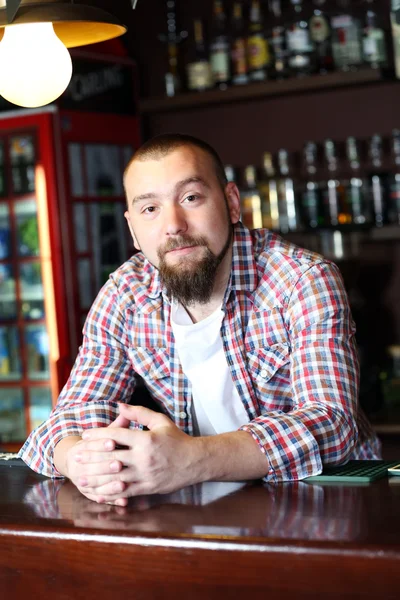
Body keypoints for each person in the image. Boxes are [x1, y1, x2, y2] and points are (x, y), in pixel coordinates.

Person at [19, 134, 381, 506]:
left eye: (190, 198)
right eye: (150, 209)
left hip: (329, 501)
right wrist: (79, 460)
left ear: (232, 203)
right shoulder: (126, 294)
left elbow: (332, 424)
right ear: (132, 229)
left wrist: (190, 459)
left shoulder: (301, 279)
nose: (173, 225)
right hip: (210, 508)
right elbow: (66, 419)